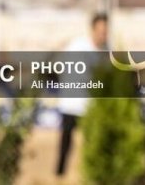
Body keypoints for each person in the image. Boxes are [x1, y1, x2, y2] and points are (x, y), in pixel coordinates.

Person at [55, 12, 109, 177]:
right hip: (72, 104)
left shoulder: (106, 50)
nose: (103, 35)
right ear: (92, 30)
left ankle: (89, 174)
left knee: (92, 142)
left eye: (105, 31)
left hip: (90, 106)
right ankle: (60, 174)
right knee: (66, 142)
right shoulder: (78, 47)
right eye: (100, 31)